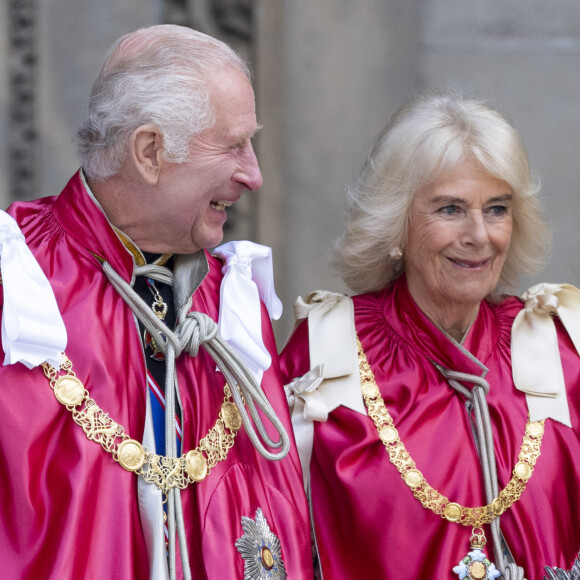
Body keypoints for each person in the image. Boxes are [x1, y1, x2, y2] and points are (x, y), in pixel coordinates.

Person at [0, 25, 313, 579]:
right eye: (233, 144)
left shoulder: (233, 298)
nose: (254, 174)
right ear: (150, 152)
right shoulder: (16, 287)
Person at [281, 91, 580, 580]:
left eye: (497, 209)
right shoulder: (325, 354)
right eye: (450, 209)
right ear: (397, 223)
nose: (479, 235)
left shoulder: (560, 349)